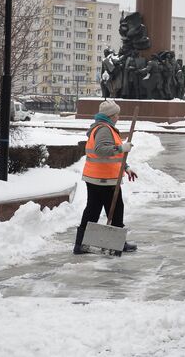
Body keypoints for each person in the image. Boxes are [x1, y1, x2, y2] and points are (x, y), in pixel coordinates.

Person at [74, 99, 138, 254]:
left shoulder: (104, 128)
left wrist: (126, 167)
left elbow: (112, 156)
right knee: (115, 209)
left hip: (98, 177)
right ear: (110, 115)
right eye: (117, 114)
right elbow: (101, 150)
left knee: (93, 210)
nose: (118, 117)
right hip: (103, 179)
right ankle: (117, 244)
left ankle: (80, 244)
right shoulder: (104, 129)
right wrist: (122, 147)